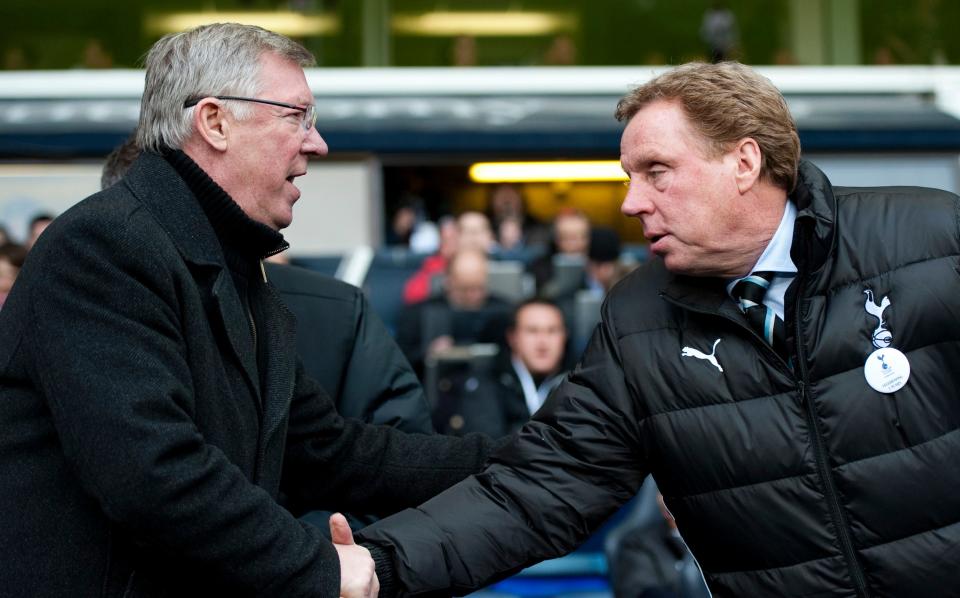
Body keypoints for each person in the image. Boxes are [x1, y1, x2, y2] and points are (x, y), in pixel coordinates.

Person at [355, 61, 960, 596]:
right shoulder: (637, 319)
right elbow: (541, 487)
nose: (630, 202)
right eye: (629, 176)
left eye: (656, 171)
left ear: (743, 162)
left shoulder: (931, 239)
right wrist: (380, 564)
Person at [0, 23, 498, 597]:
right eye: (297, 117)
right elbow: (154, 475)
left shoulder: (229, 266)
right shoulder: (104, 247)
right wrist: (320, 567)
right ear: (214, 123)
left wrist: (529, 457)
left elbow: (328, 450)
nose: (318, 143)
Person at [433, 298, 567, 437]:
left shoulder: (579, 382)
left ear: (564, 336)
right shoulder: (485, 381)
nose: (543, 342)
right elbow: (488, 446)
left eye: (552, 331)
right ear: (512, 338)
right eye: (532, 331)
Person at [395, 247, 512, 378]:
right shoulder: (418, 314)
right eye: (465, 289)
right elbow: (399, 364)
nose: (474, 295)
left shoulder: (505, 311)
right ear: (448, 282)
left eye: (480, 288)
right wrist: (427, 354)